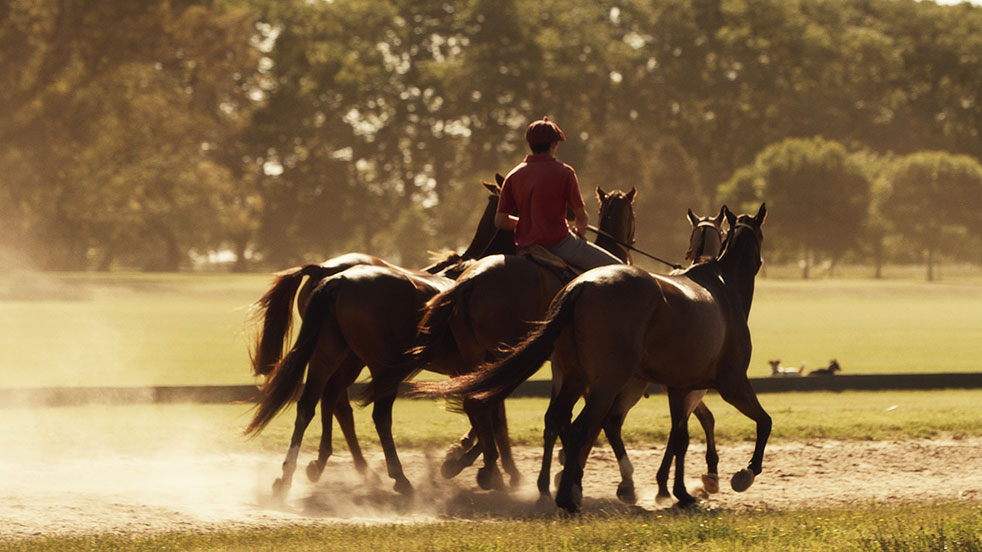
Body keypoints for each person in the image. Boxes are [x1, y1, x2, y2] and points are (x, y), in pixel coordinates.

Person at [495, 116, 622, 271]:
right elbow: (581, 217)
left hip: (525, 249)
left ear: (530, 144)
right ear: (554, 145)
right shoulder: (565, 172)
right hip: (560, 245)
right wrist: (580, 230)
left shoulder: (513, 175)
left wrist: (526, 223)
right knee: (620, 269)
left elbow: (500, 221)